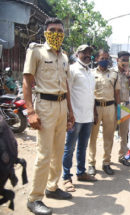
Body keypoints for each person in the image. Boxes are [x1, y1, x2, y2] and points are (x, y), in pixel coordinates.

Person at [23, 17, 74, 215]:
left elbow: (67, 85)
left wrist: (71, 112)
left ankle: (52, 187)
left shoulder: (64, 57)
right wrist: (30, 111)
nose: (56, 34)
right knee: (44, 155)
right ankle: (34, 198)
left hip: (62, 107)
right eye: (52, 30)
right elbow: (27, 81)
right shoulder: (36, 51)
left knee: (58, 152)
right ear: (45, 32)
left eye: (60, 31)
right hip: (44, 106)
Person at [62, 45, 97, 193]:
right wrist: (69, 114)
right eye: (84, 52)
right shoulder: (72, 69)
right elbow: (66, 92)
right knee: (70, 148)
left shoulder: (90, 72)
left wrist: (94, 112)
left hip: (88, 116)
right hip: (75, 117)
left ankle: (81, 172)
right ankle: (66, 177)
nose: (88, 55)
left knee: (83, 147)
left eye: (89, 52)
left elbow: (91, 95)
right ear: (77, 54)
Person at [88, 49, 120, 176]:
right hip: (95, 108)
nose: (104, 60)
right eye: (102, 58)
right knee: (93, 137)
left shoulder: (114, 74)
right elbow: (89, 94)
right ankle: (91, 164)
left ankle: (106, 162)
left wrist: (118, 113)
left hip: (110, 107)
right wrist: (92, 111)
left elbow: (117, 93)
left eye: (106, 58)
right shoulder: (90, 73)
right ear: (96, 59)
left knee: (109, 136)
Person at [116, 51, 130, 166]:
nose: (125, 62)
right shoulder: (112, 72)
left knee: (124, 134)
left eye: (127, 60)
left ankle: (122, 156)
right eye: (123, 59)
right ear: (117, 60)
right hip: (113, 106)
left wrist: (128, 76)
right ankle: (107, 159)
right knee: (109, 133)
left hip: (125, 105)